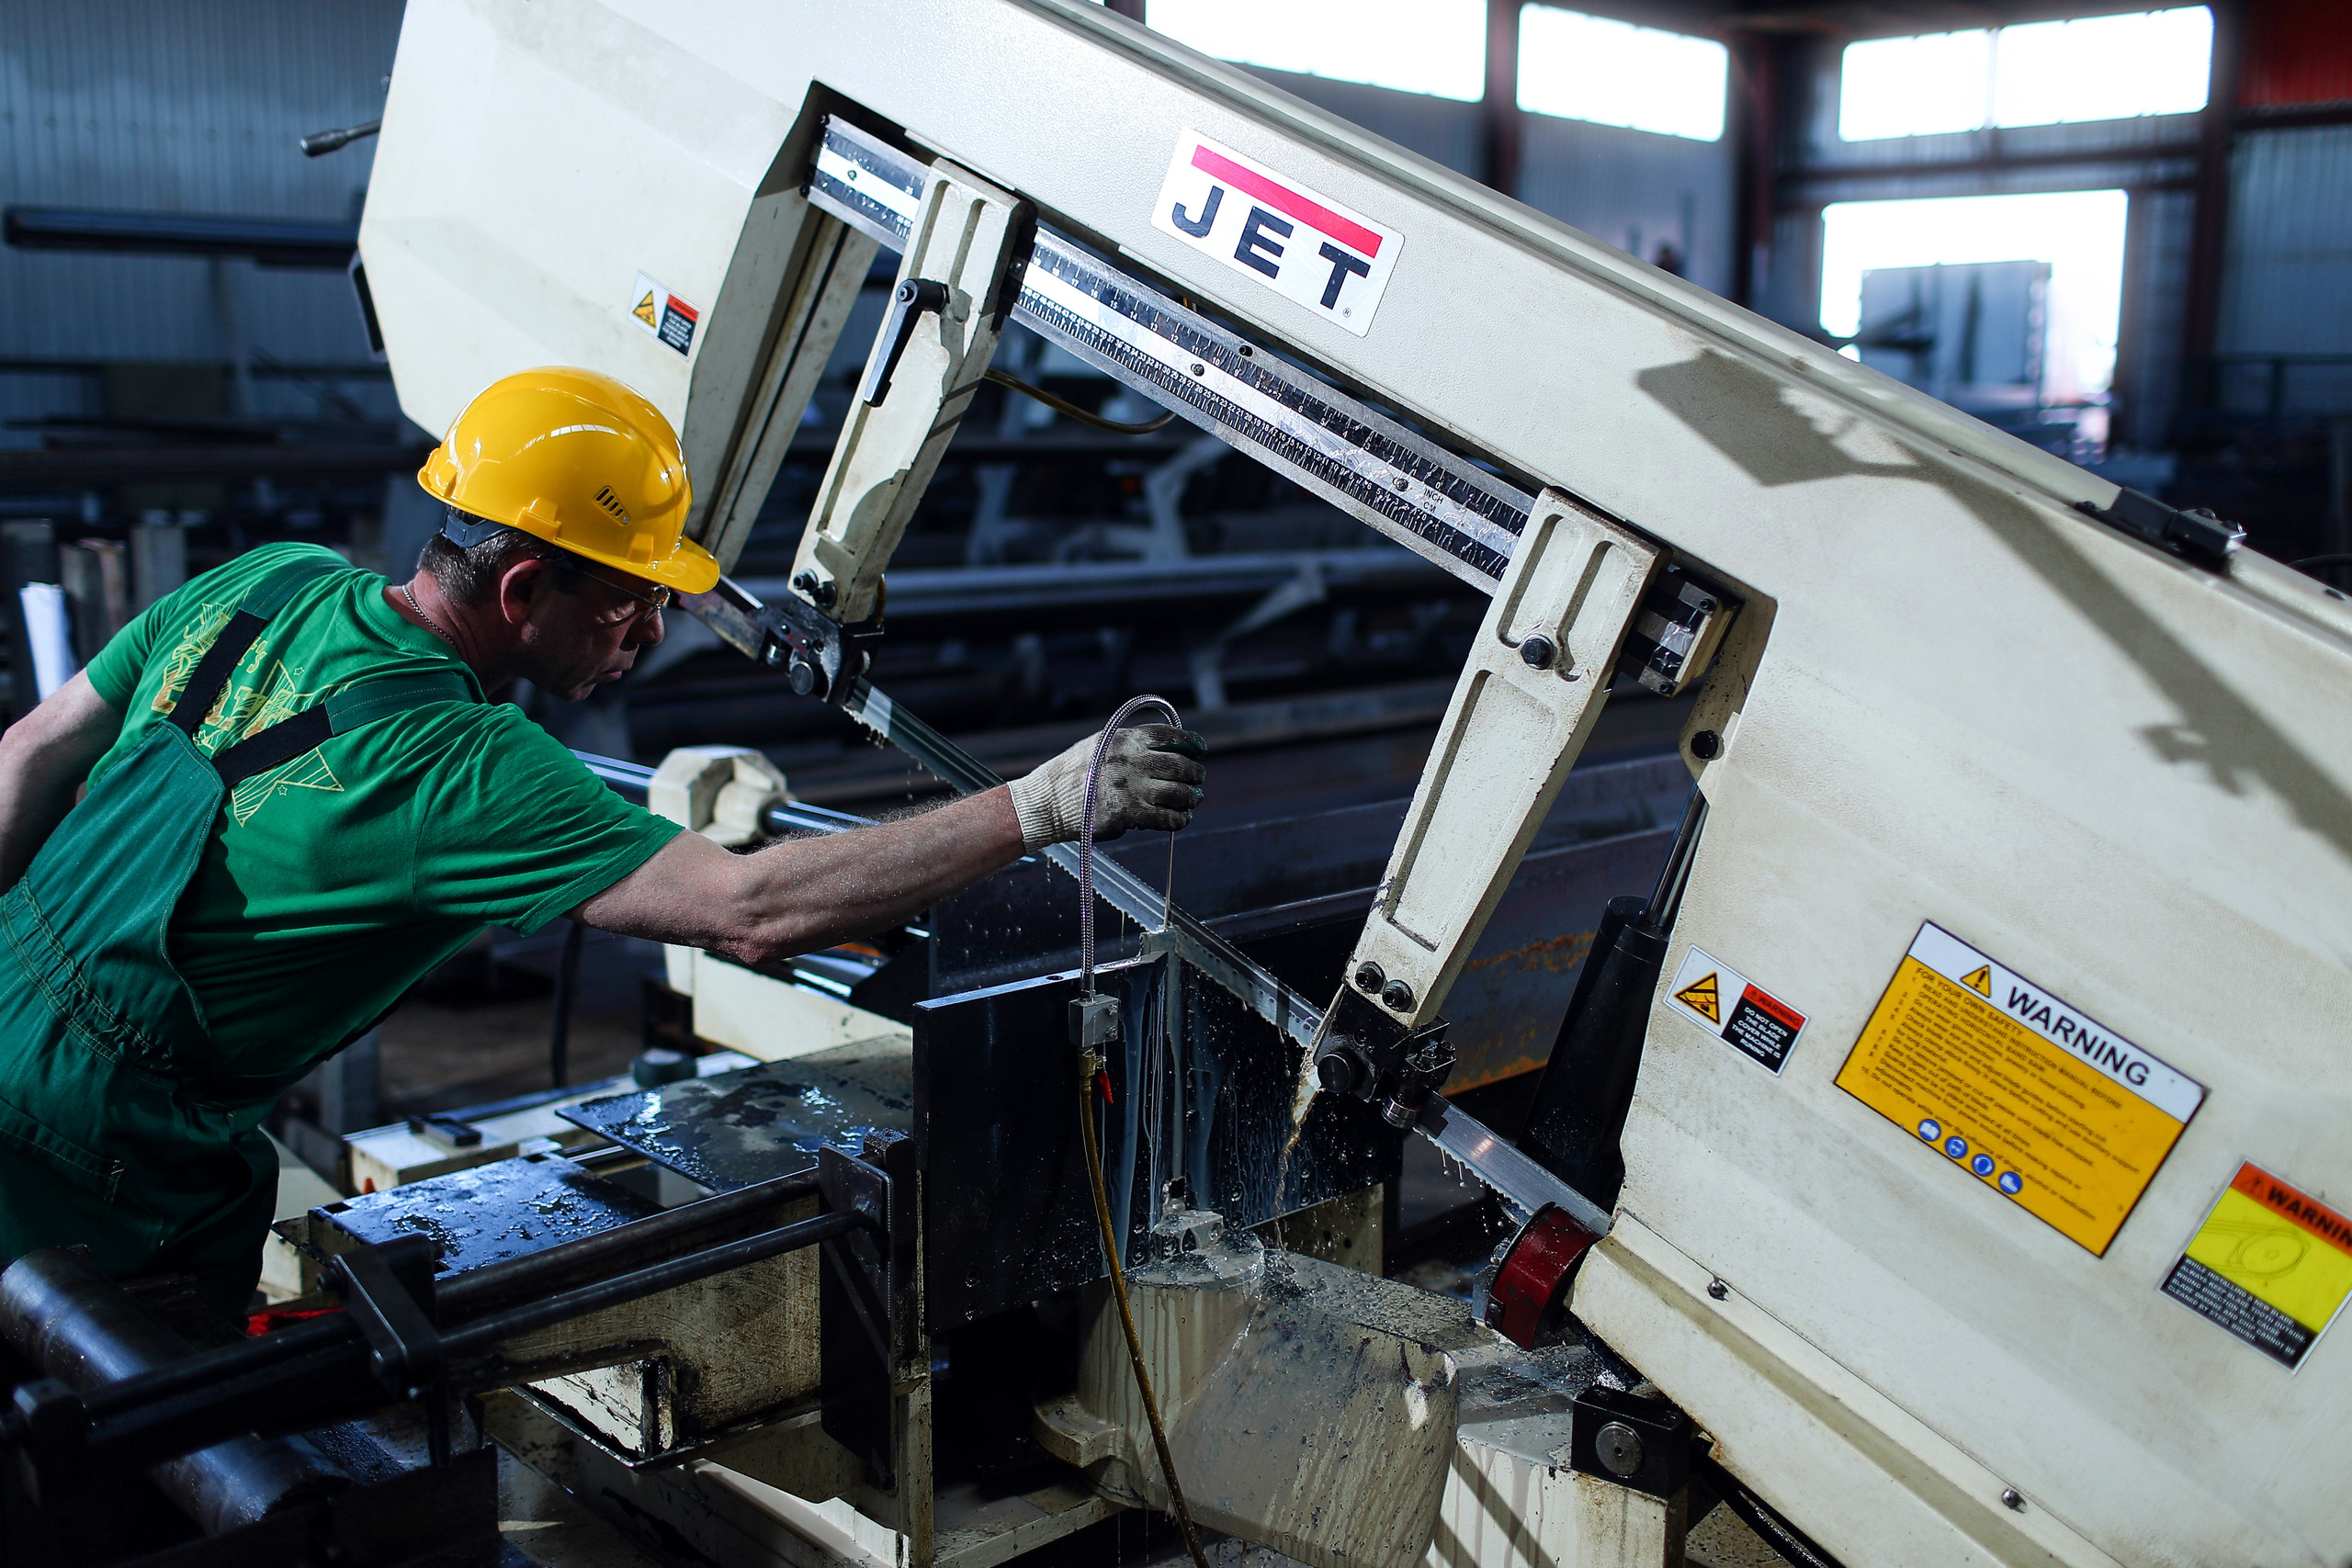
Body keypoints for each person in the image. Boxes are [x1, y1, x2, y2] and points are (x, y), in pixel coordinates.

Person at [0, 366, 1204, 1317]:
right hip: (106, 1156)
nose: (644, 638)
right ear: (522, 592)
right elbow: (753, 909)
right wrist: (1040, 807)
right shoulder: (464, 771)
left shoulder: (271, 582)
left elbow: (31, 755)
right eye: (628, 605)